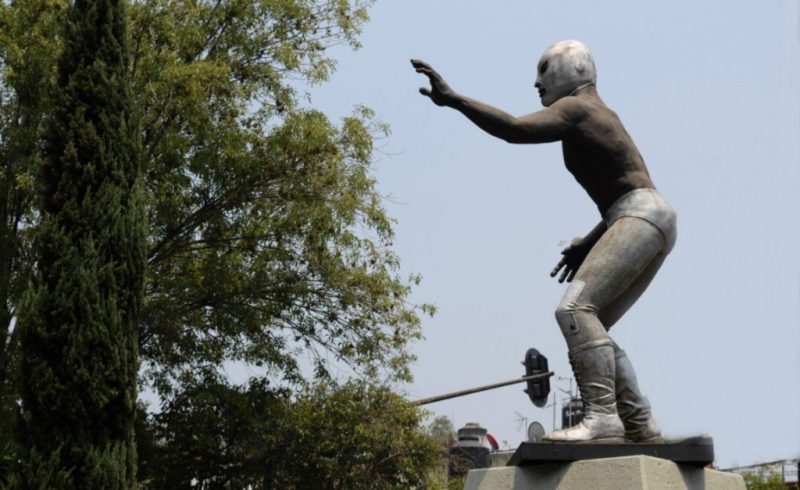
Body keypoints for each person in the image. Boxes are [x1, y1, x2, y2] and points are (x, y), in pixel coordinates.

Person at [412, 40, 676, 443]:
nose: (537, 83)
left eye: (544, 70)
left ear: (573, 70)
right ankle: (639, 423)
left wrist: (455, 100)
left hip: (640, 215)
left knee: (574, 310)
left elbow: (514, 129)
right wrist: (589, 243)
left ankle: (603, 416)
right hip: (650, 217)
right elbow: (626, 193)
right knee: (593, 323)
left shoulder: (576, 107)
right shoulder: (600, 112)